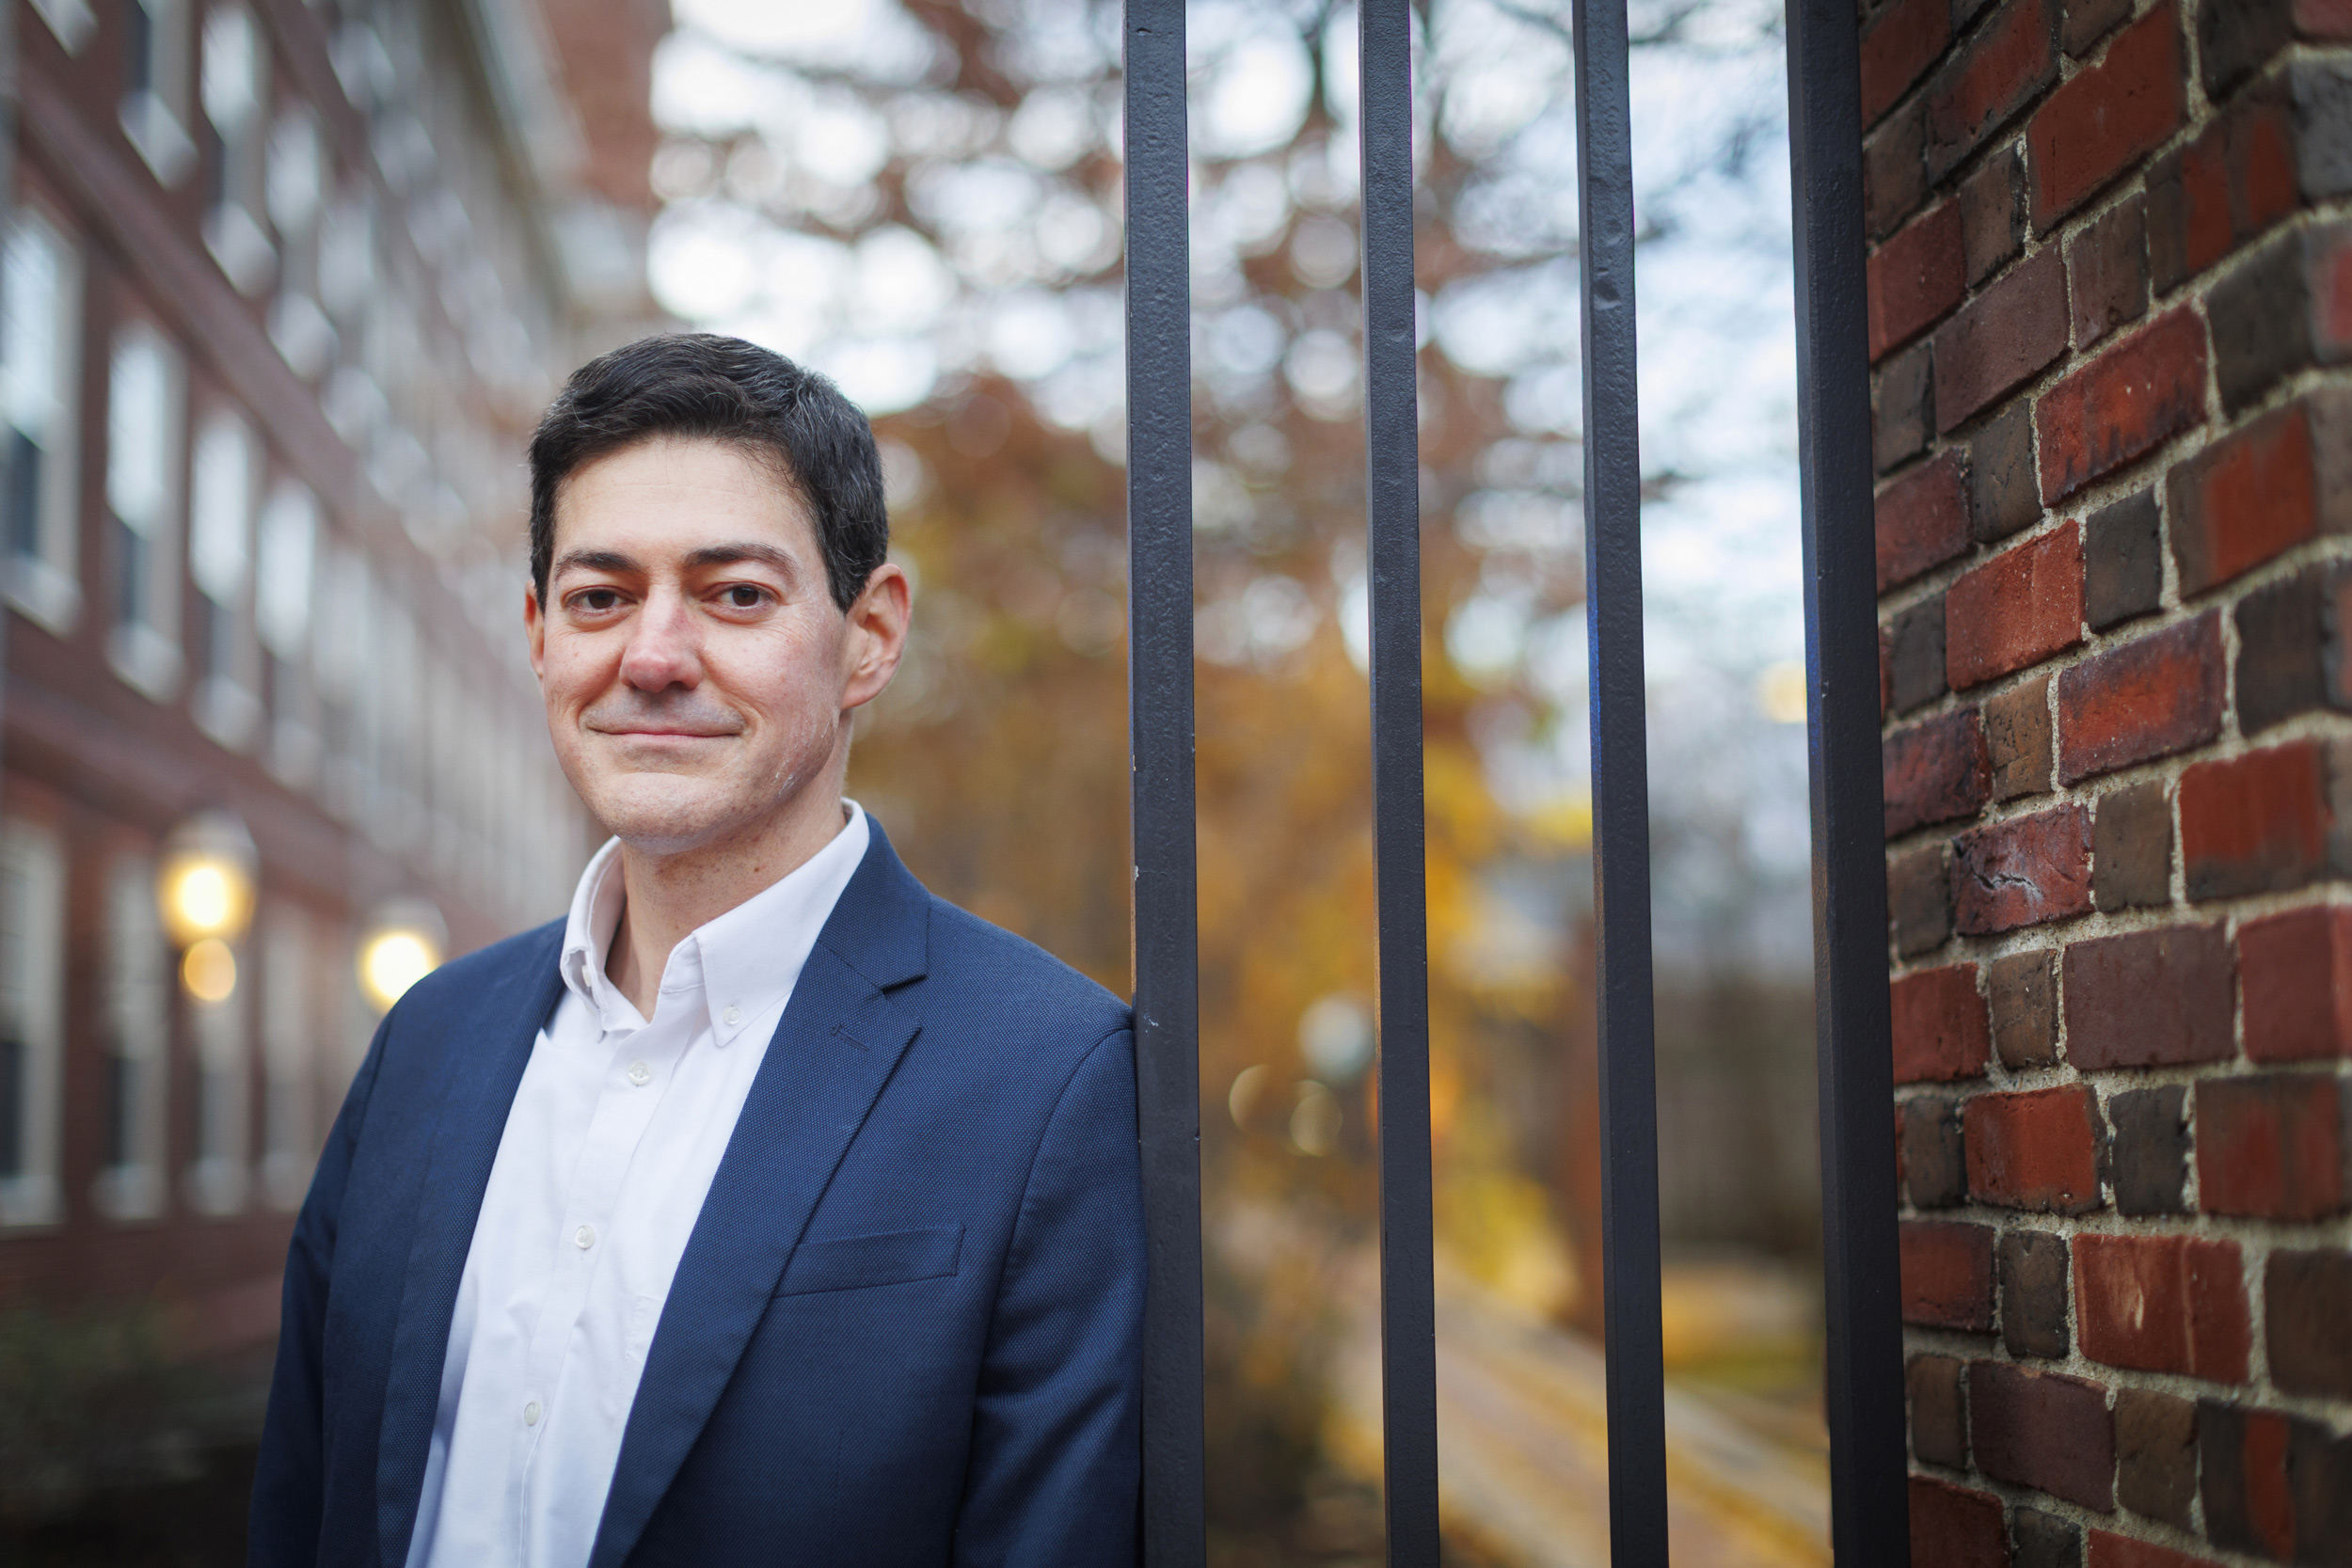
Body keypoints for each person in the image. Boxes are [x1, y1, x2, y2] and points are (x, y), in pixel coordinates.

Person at [247, 335, 1146, 1568]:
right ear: (539, 634)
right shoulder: (427, 1041)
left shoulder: (1047, 1077)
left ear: (870, 636)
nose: (653, 658)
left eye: (734, 594)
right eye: (601, 597)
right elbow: (303, 1503)